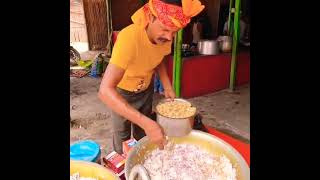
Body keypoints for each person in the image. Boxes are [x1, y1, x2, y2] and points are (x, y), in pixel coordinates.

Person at [98, 0, 205, 154]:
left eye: (174, 32)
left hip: (145, 90)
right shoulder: (130, 38)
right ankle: (122, 168)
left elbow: (159, 58)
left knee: (144, 132)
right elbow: (105, 91)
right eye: (165, 29)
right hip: (122, 93)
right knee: (123, 135)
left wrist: (167, 85)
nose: (169, 37)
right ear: (151, 17)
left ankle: (143, 157)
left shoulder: (165, 38)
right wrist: (147, 123)